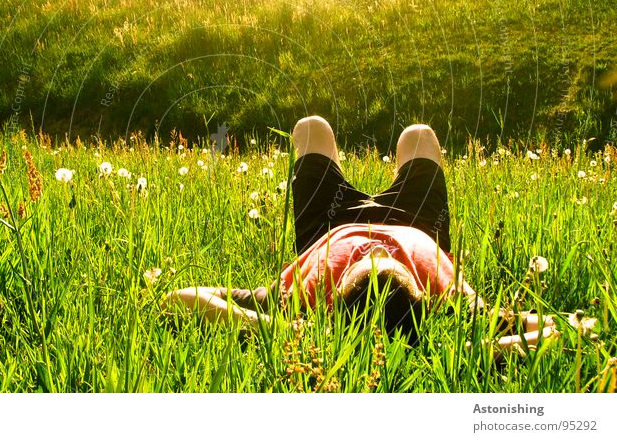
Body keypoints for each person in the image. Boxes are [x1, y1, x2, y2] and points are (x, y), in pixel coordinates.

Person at [162, 116, 557, 352]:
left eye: (366, 262)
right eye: (387, 261)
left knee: (311, 128)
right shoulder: (449, 301)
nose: (376, 250)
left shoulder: (303, 301)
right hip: (414, 222)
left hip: (331, 225)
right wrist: (480, 350)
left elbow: (179, 299)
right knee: (419, 135)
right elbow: (564, 328)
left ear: (335, 298)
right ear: (420, 293)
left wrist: (278, 330)